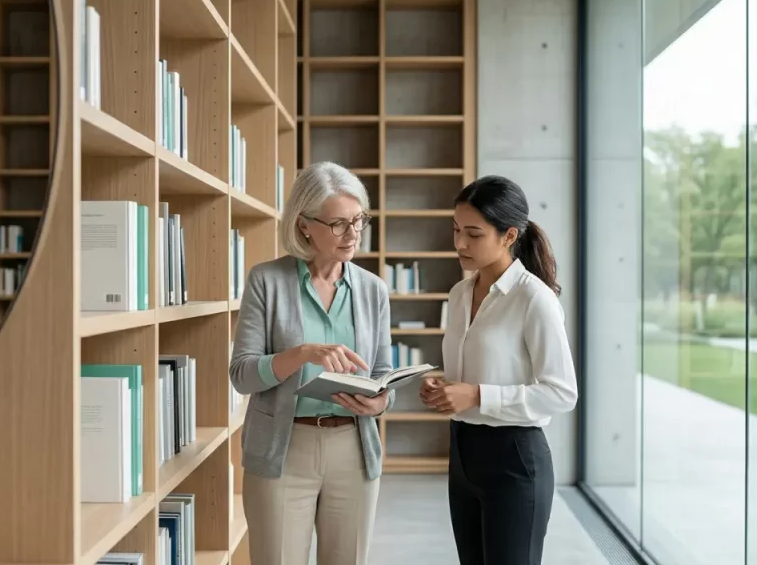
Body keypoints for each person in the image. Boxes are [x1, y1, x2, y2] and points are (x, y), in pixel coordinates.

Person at [229, 161, 394, 565]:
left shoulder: (373, 290)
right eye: (338, 224)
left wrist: (380, 402)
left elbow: (383, 374)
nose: (352, 234)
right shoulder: (266, 281)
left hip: (353, 449)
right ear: (304, 224)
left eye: (358, 220)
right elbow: (242, 375)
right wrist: (302, 354)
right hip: (283, 450)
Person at [420, 175, 578, 565]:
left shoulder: (534, 299)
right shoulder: (459, 294)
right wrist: (444, 388)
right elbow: (480, 369)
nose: (460, 243)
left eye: (473, 234)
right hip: (462, 453)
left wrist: (476, 395)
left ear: (509, 236)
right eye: (456, 230)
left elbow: (562, 393)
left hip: (514, 459)